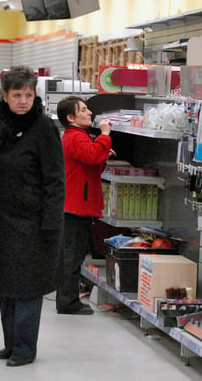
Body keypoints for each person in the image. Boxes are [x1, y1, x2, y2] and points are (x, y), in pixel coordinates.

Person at [0, 66, 65, 367]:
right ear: (6, 95)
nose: (24, 100)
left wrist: (51, 221)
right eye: (17, 95)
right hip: (0, 218)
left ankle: (25, 348)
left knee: (27, 287)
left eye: (28, 94)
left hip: (32, 222)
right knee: (3, 285)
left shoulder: (44, 127)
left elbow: (55, 179)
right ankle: (10, 343)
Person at [55, 96, 115, 315]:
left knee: (75, 254)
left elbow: (92, 166)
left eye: (88, 109)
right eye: (83, 110)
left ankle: (68, 299)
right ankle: (67, 302)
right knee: (71, 255)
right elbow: (91, 155)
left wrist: (102, 153)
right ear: (71, 118)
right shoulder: (76, 138)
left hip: (77, 205)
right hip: (74, 206)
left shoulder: (77, 137)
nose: (89, 112)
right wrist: (105, 135)